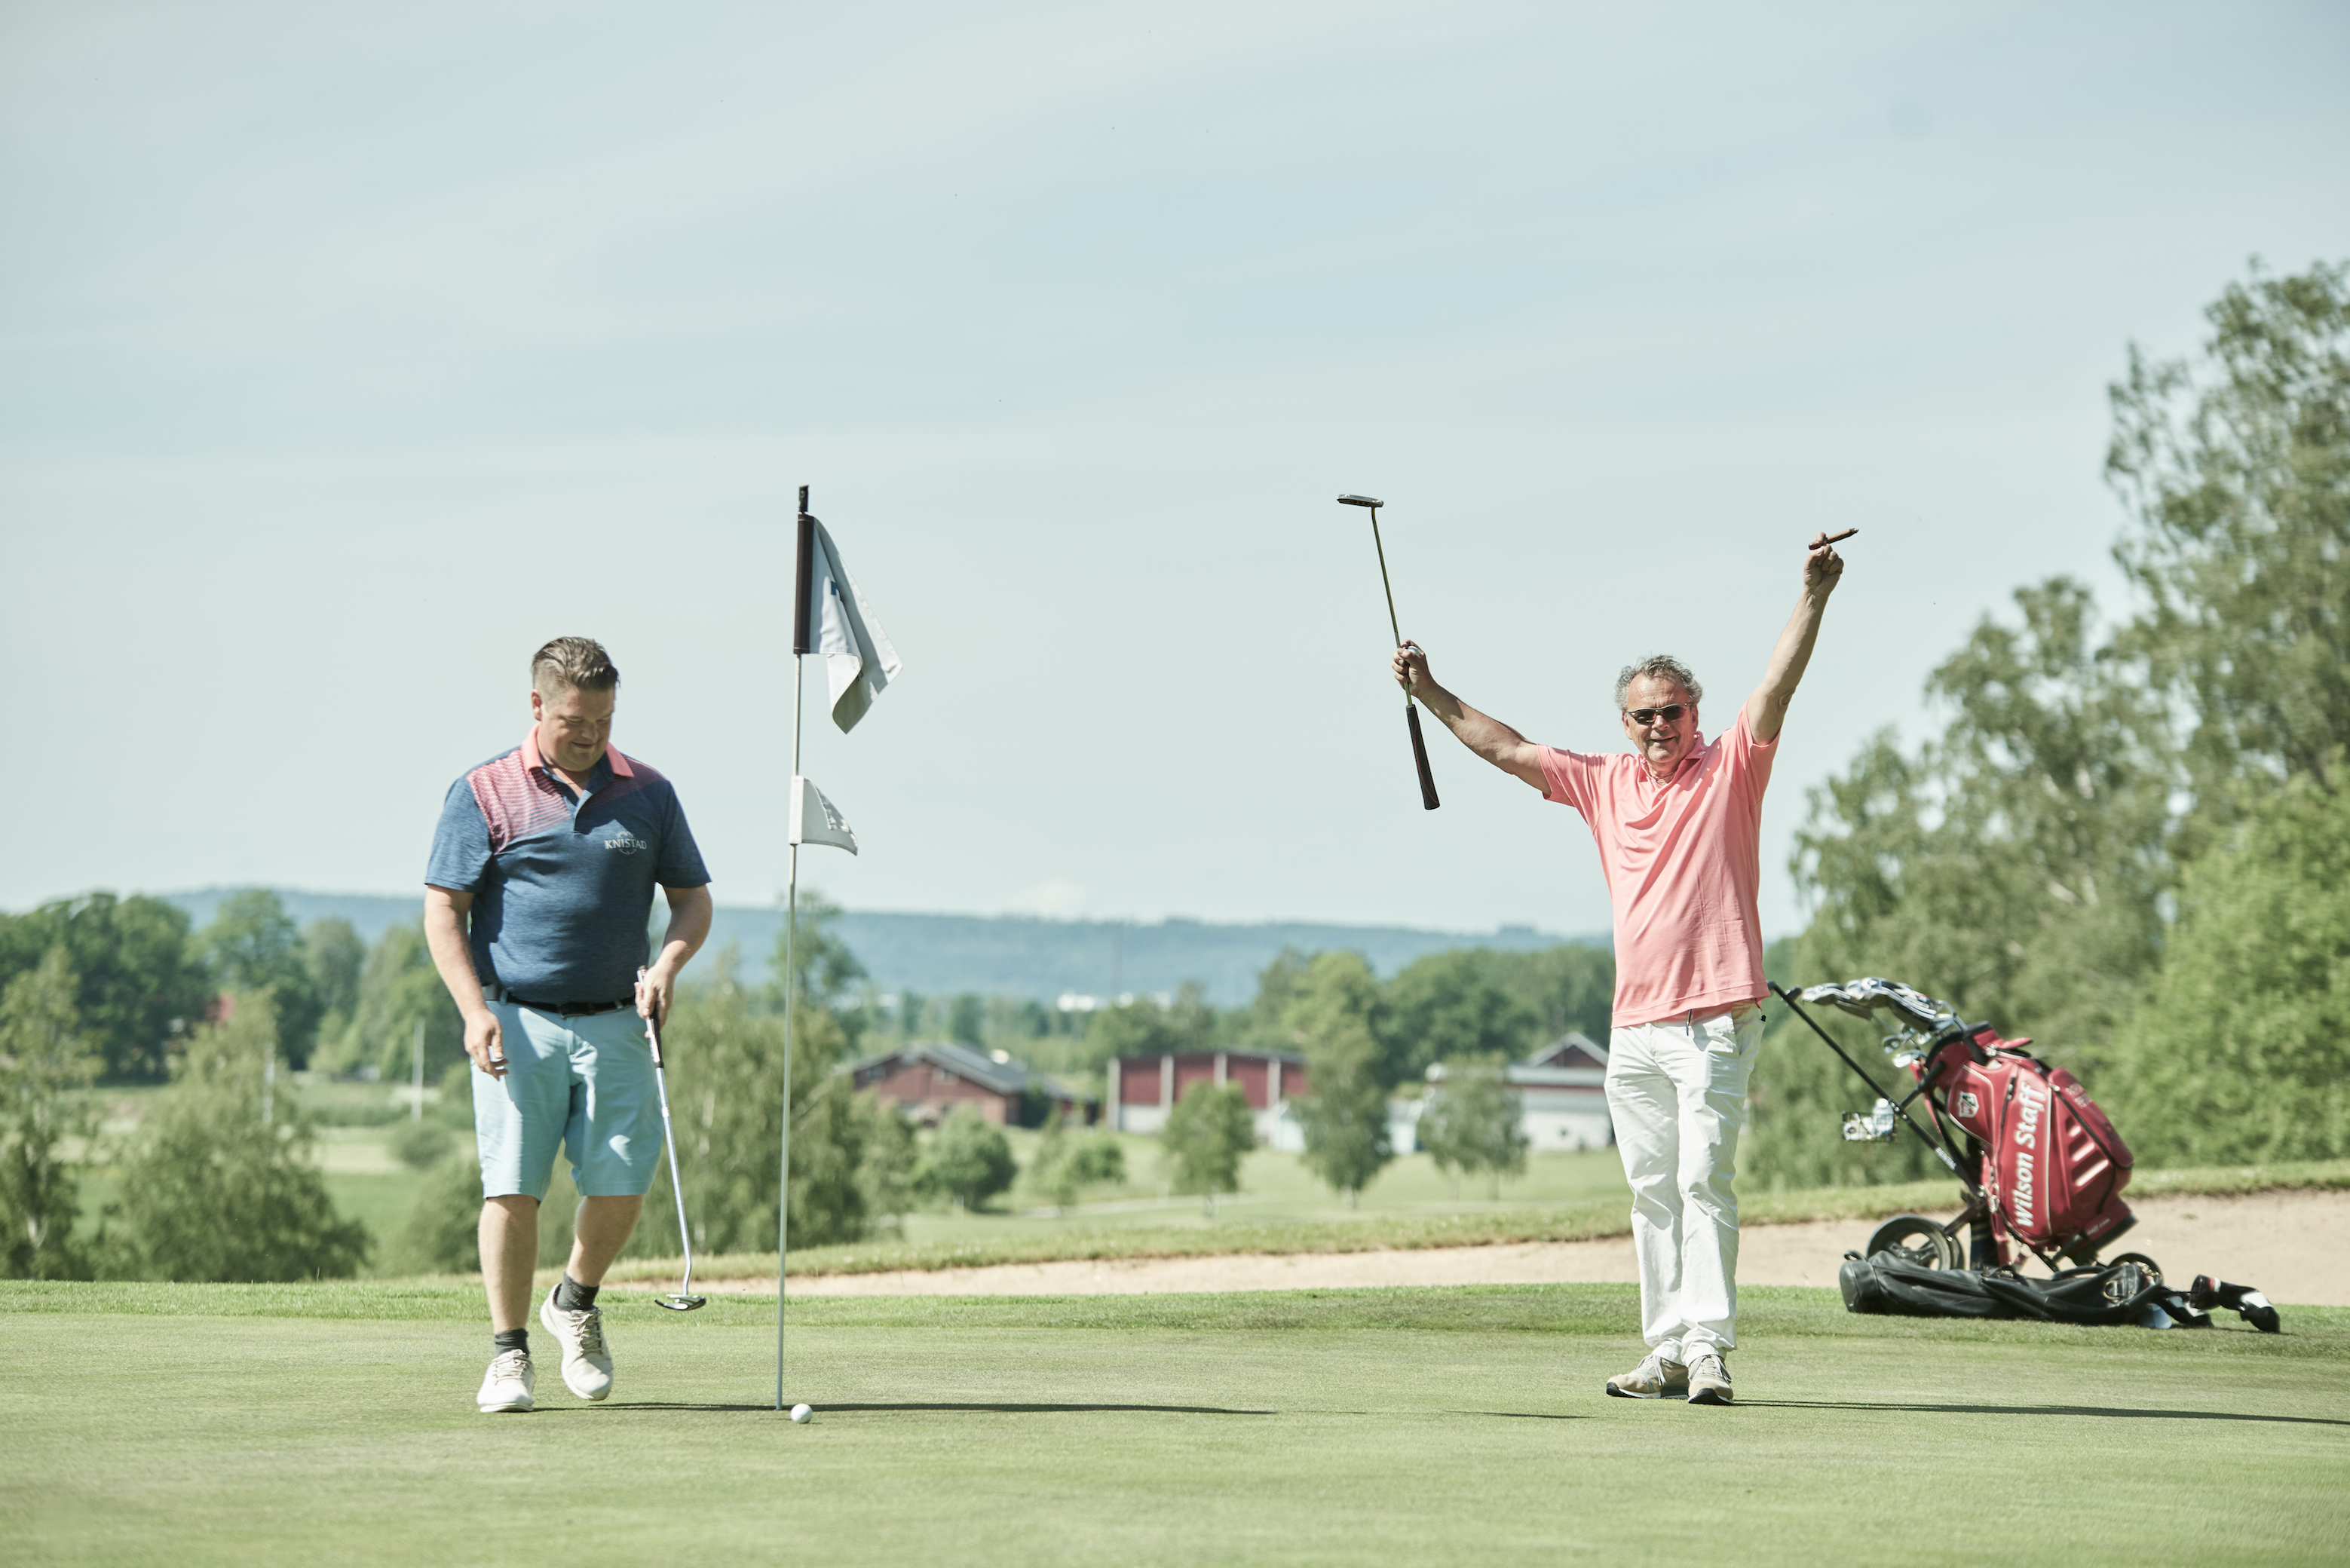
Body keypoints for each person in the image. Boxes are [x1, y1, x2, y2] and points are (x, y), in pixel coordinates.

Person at [1391, 531, 1849, 1406]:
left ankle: (1710, 1348)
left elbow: (1778, 685)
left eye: (1672, 711)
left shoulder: (1733, 767)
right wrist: (1430, 690)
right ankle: (1668, 1346)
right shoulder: (1604, 782)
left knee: (1702, 1180)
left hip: (1716, 1016)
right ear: (1626, 723)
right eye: (1644, 714)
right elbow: (1507, 748)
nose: (1659, 726)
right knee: (1651, 1193)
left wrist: (1813, 596)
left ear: (1695, 713)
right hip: (1633, 1026)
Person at [424, 636, 713, 1414]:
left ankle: (575, 1301)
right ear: (537, 706)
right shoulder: (482, 790)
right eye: (575, 720)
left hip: (620, 1020)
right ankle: (508, 1354)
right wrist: (472, 1009)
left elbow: (692, 898)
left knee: (621, 1183)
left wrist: (666, 967)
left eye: (604, 720)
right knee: (512, 1186)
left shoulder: (648, 792)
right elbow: (444, 908)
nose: (590, 735)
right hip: (515, 1021)